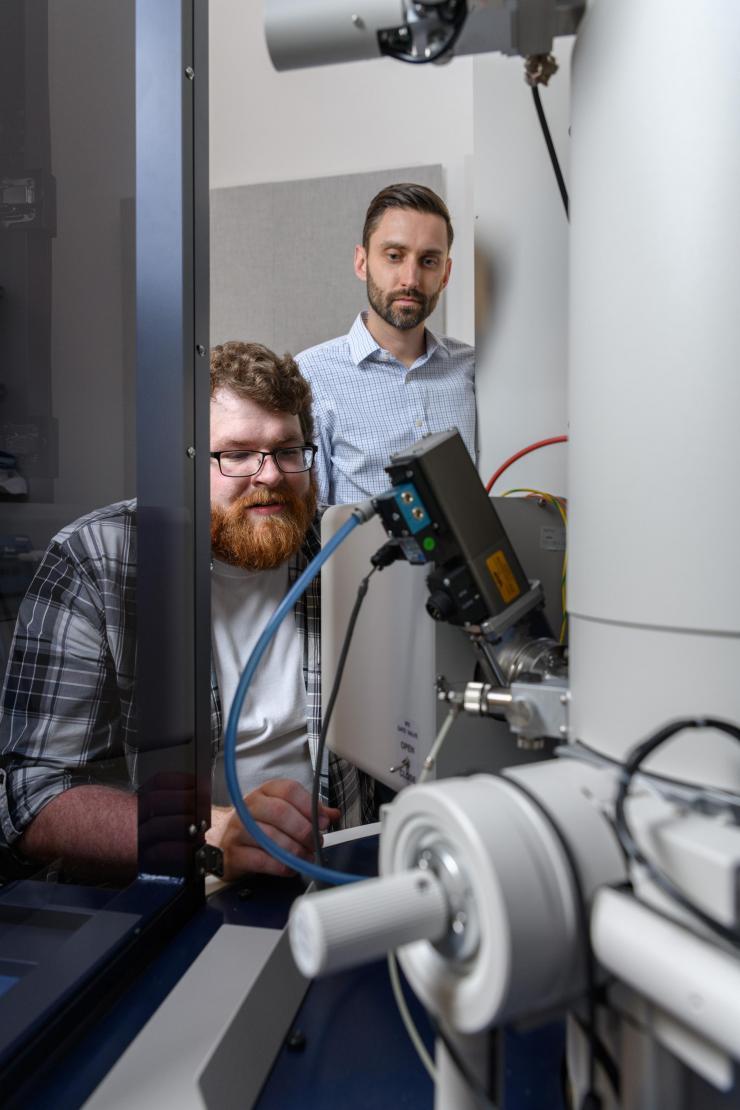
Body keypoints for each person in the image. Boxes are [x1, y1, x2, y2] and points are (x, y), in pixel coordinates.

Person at [0, 342, 371, 882]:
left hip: (330, 872)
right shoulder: (96, 561)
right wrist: (208, 835)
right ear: (185, 459)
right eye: (237, 454)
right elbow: (29, 798)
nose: (269, 475)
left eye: (288, 451)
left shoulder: (342, 552)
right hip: (160, 896)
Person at [297, 182, 476, 504]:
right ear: (362, 262)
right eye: (394, 256)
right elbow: (311, 523)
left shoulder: (474, 370)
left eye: (429, 261)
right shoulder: (311, 375)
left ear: (446, 274)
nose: (410, 278)